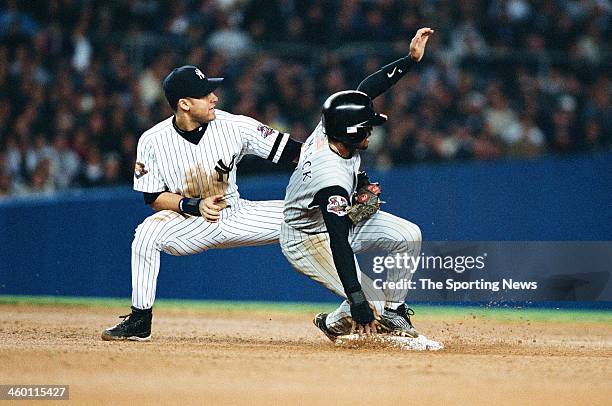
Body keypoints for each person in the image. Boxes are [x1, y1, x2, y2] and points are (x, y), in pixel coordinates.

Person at [102, 65, 302, 341]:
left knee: (317, 214)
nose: (214, 98)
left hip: (236, 213)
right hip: (189, 221)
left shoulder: (235, 125)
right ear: (183, 104)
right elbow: (152, 198)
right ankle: (140, 320)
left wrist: (348, 178)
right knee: (146, 235)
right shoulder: (152, 140)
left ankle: (361, 306)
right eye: (204, 94)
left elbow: (295, 152)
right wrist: (193, 205)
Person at [281, 28, 433, 339]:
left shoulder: (331, 123)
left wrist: (409, 60)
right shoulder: (331, 179)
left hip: (334, 218)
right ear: (351, 133)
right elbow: (338, 242)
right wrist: (358, 299)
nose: (372, 131)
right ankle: (332, 323)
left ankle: (394, 312)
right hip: (308, 237)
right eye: (367, 127)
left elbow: (365, 89)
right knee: (368, 301)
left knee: (409, 235)